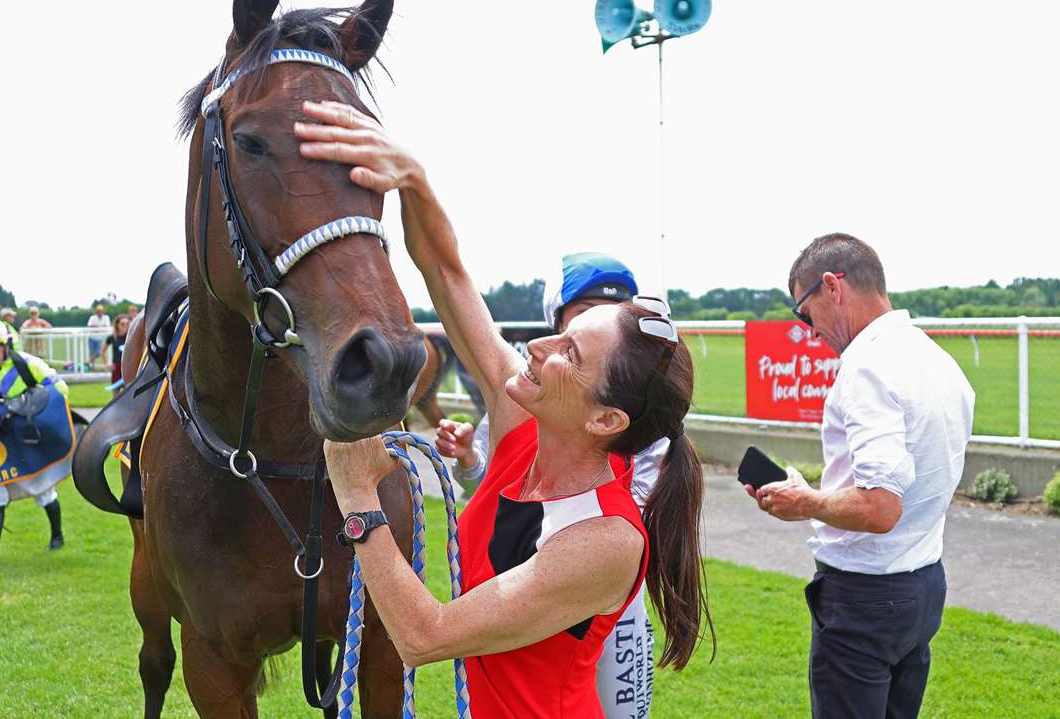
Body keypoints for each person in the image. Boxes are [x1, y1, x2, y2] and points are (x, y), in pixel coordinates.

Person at [298, 100, 712, 718]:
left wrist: (358, 500)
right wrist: (414, 179)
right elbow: (447, 271)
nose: (536, 348)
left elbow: (424, 636)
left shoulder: (605, 538)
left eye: (568, 353)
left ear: (605, 421)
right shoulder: (524, 430)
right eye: (559, 331)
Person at [746, 233, 974, 719]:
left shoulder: (867, 366)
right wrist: (811, 492)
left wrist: (805, 501)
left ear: (832, 286)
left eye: (802, 313)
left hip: (866, 594)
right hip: (924, 582)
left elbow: (879, 506)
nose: (807, 330)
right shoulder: (938, 360)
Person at [437, 252, 668, 718]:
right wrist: (468, 462)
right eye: (579, 319)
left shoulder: (637, 408)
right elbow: (497, 484)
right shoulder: (528, 403)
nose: (550, 346)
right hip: (548, 580)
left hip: (601, 591)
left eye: (610, 317)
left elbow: (620, 524)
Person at [0, 320, 70, 564]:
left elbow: (60, 388)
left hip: (32, 437)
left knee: (43, 490)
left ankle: (57, 535)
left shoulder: (28, 364)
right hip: (7, 439)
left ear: (6, 345)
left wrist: (28, 403)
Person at [104, 314, 130, 394]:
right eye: (122, 324)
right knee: (115, 393)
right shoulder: (112, 337)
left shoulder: (130, 337)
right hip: (116, 368)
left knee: (128, 393)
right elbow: (102, 351)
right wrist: (107, 363)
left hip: (128, 368)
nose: (125, 326)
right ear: (117, 325)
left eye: (127, 324)